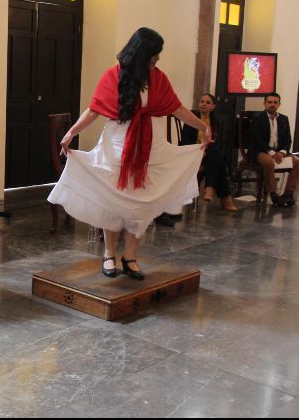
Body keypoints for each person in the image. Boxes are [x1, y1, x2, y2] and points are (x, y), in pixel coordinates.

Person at [48, 27, 211, 280]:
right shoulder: (113, 76)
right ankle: (109, 254)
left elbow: (177, 108)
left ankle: (131, 256)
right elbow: (94, 110)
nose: (157, 59)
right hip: (116, 146)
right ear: (140, 53)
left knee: (142, 204)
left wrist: (203, 125)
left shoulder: (158, 78)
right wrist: (71, 133)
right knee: (113, 202)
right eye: (154, 55)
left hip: (150, 147)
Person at [180, 93, 237, 211]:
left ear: (213, 107)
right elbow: (185, 142)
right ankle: (221, 195)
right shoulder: (192, 118)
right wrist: (200, 152)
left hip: (210, 155)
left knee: (214, 151)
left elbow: (221, 143)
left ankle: (211, 189)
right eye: (202, 102)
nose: (203, 104)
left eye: (207, 102)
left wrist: (206, 151)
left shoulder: (217, 121)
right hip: (193, 153)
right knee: (218, 162)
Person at [246, 93, 299, 207]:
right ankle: (273, 194)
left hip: (279, 152)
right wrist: (272, 152)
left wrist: (282, 152)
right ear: (265, 103)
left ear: (279, 104)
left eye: (275, 102)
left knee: (298, 163)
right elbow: (256, 139)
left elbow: (288, 139)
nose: (272, 105)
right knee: (268, 162)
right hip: (260, 151)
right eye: (270, 102)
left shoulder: (283, 119)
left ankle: (288, 193)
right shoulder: (258, 118)